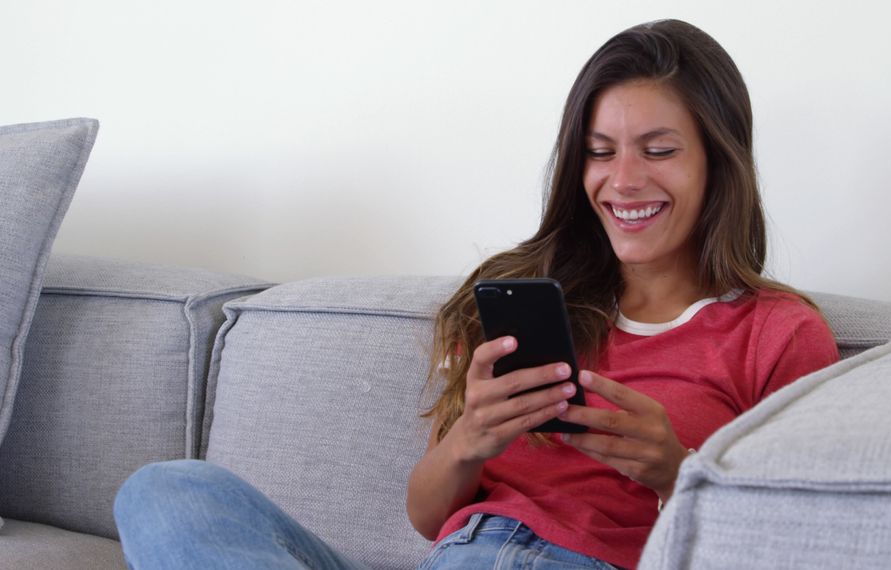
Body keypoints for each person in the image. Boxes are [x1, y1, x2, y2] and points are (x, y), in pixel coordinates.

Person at [113, 18, 838, 570]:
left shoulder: (776, 333)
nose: (622, 181)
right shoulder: (526, 297)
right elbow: (430, 517)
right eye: (598, 151)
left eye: (658, 150)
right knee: (168, 491)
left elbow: (797, 542)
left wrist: (675, 470)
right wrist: (472, 438)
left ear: (720, 159)